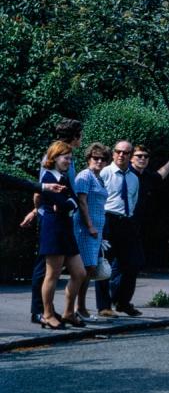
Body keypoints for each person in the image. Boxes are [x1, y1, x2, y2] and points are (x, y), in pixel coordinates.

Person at [22, 117, 82, 325]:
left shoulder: (66, 160)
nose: (81, 140)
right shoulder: (53, 158)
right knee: (46, 270)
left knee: (60, 270)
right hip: (52, 220)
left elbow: (69, 196)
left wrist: (67, 203)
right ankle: (41, 311)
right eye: (80, 136)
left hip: (62, 220)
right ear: (74, 137)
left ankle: (55, 311)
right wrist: (40, 209)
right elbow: (45, 191)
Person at [36, 141, 87, 329]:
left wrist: (68, 204)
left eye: (70, 158)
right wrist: (67, 204)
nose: (69, 162)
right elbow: (61, 203)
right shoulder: (48, 177)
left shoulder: (63, 178)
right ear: (55, 157)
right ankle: (47, 314)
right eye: (66, 158)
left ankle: (68, 312)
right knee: (53, 274)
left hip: (66, 228)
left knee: (79, 272)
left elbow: (71, 201)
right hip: (54, 229)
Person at [95, 140, 143, 317]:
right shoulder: (105, 173)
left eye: (126, 152)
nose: (121, 155)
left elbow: (133, 200)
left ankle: (122, 302)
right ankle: (104, 306)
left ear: (130, 156)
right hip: (108, 220)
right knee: (104, 264)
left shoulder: (134, 178)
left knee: (132, 264)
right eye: (118, 152)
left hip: (126, 221)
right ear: (113, 154)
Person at [72, 143, 110, 318]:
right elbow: (82, 202)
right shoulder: (85, 176)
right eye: (96, 158)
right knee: (85, 269)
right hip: (86, 228)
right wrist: (89, 226)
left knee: (89, 269)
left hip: (96, 229)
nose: (99, 161)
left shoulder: (99, 178)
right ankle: (77, 307)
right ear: (88, 159)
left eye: (103, 159)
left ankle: (81, 307)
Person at [130, 143, 169, 267]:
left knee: (134, 262)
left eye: (146, 156)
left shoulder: (146, 175)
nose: (142, 158)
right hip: (125, 220)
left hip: (139, 222)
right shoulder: (127, 173)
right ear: (131, 158)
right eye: (139, 156)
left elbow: (160, 175)